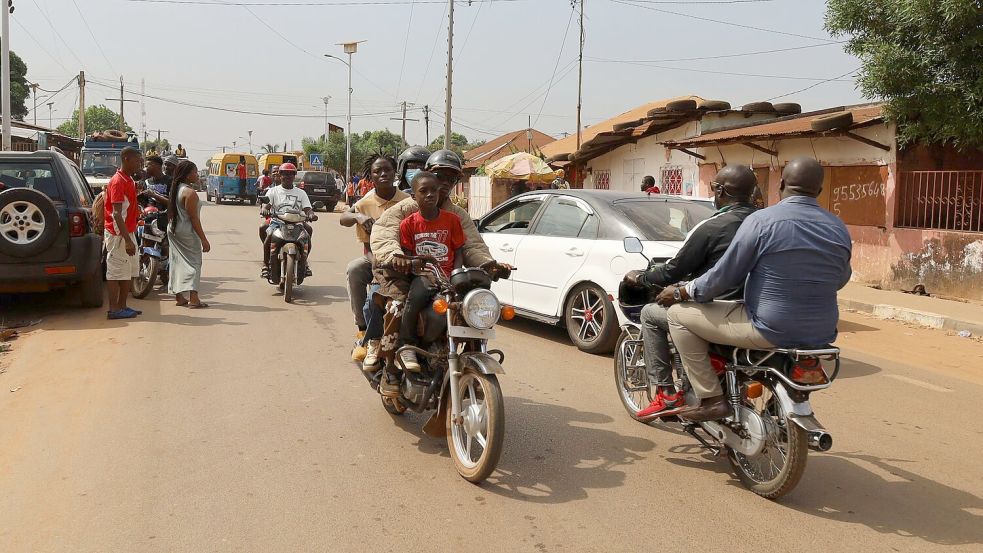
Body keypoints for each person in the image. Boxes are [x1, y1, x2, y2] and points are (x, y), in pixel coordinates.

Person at [655, 157, 852, 422]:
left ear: (781, 184)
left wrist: (682, 292)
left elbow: (724, 275)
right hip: (822, 332)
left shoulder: (762, 221)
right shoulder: (838, 227)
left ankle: (711, 398)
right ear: (819, 190)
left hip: (767, 327)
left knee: (678, 315)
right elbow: (840, 278)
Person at [622, 165, 759, 419]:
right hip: (759, 312)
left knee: (651, 314)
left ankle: (666, 393)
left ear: (720, 191)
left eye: (714, 188)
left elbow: (673, 271)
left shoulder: (712, 226)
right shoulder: (764, 222)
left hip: (719, 311)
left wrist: (642, 277)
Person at [391, 171, 466, 379]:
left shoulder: (452, 220)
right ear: (413, 196)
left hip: (447, 277)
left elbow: (459, 251)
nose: (430, 195)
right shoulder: (408, 224)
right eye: (424, 191)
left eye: (434, 190)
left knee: (465, 306)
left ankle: (466, 351)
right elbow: (408, 256)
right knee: (416, 295)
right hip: (423, 275)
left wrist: (456, 276)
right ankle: (406, 345)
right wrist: (421, 270)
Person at [340, 153, 409, 366]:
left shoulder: (408, 202)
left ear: (395, 173)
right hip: (375, 258)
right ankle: (363, 330)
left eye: (387, 169)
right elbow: (344, 218)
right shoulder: (365, 203)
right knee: (355, 269)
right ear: (370, 177)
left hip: (405, 258)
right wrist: (358, 216)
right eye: (377, 171)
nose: (383, 174)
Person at [104, 147, 144, 320]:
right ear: (126, 159)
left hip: (128, 232)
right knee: (115, 272)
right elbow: (116, 214)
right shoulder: (118, 181)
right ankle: (114, 309)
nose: (139, 164)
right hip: (118, 234)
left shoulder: (128, 180)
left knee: (127, 271)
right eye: (137, 161)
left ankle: (122, 306)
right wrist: (127, 240)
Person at [260, 162, 317, 277]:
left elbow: (307, 209)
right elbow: (267, 205)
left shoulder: (301, 193)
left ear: (294, 176)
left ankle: (304, 262)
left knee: (307, 234)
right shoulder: (273, 191)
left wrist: (311, 214)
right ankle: (265, 264)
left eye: (291, 174)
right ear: (280, 175)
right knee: (269, 236)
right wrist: (265, 209)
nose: (288, 176)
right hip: (278, 222)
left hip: (297, 222)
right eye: (285, 174)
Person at [167, 160, 211, 308]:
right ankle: (194, 298)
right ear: (187, 175)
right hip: (187, 231)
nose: (197, 175)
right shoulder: (190, 193)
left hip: (173, 229)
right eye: (195, 172)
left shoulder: (176, 189)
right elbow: (194, 218)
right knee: (195, 263)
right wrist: (204, 239)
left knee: (176, 262)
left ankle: (179, 297)